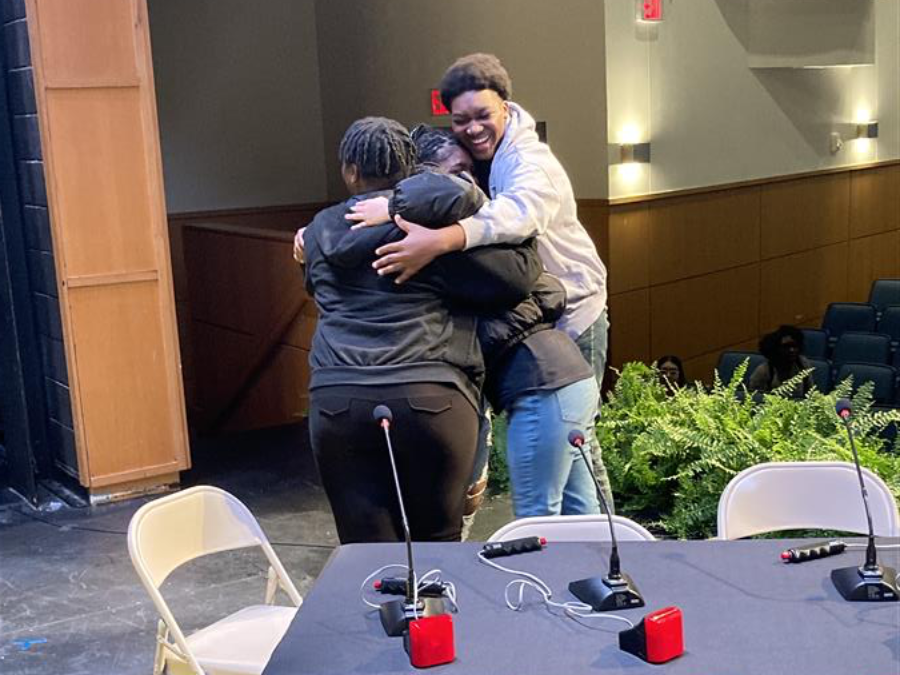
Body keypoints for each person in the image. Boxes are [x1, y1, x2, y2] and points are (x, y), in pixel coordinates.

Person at [348, 54, 613, 508]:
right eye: (461, 119)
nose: (472, 128)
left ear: (506, 108)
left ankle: (615, 552)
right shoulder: (479, 159)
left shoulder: (529, 162)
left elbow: (515, 218)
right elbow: (435, 194)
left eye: (483, 115)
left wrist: (437, 239)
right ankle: (608, 553)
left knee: (580, 450)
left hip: (575, 312)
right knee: (576, 461)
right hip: (537, 324)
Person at [301, 117, 541, 544]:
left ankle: (381, 612)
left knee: (365, 554)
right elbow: (515, 279)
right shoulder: (432, 234)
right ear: (412, 169)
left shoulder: (319, 230)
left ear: (349, 171)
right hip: (432, 398)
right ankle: (432, 613)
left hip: (338, 402)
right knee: (437, 548)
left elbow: (315, 284)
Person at [748, 326, 815, 398]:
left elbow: (810, 394)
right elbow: (754, 400)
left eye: (795, 346)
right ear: (775, 348)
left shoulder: (802, 364)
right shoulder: (763, 371)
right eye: (786, 347)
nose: (792, 350)